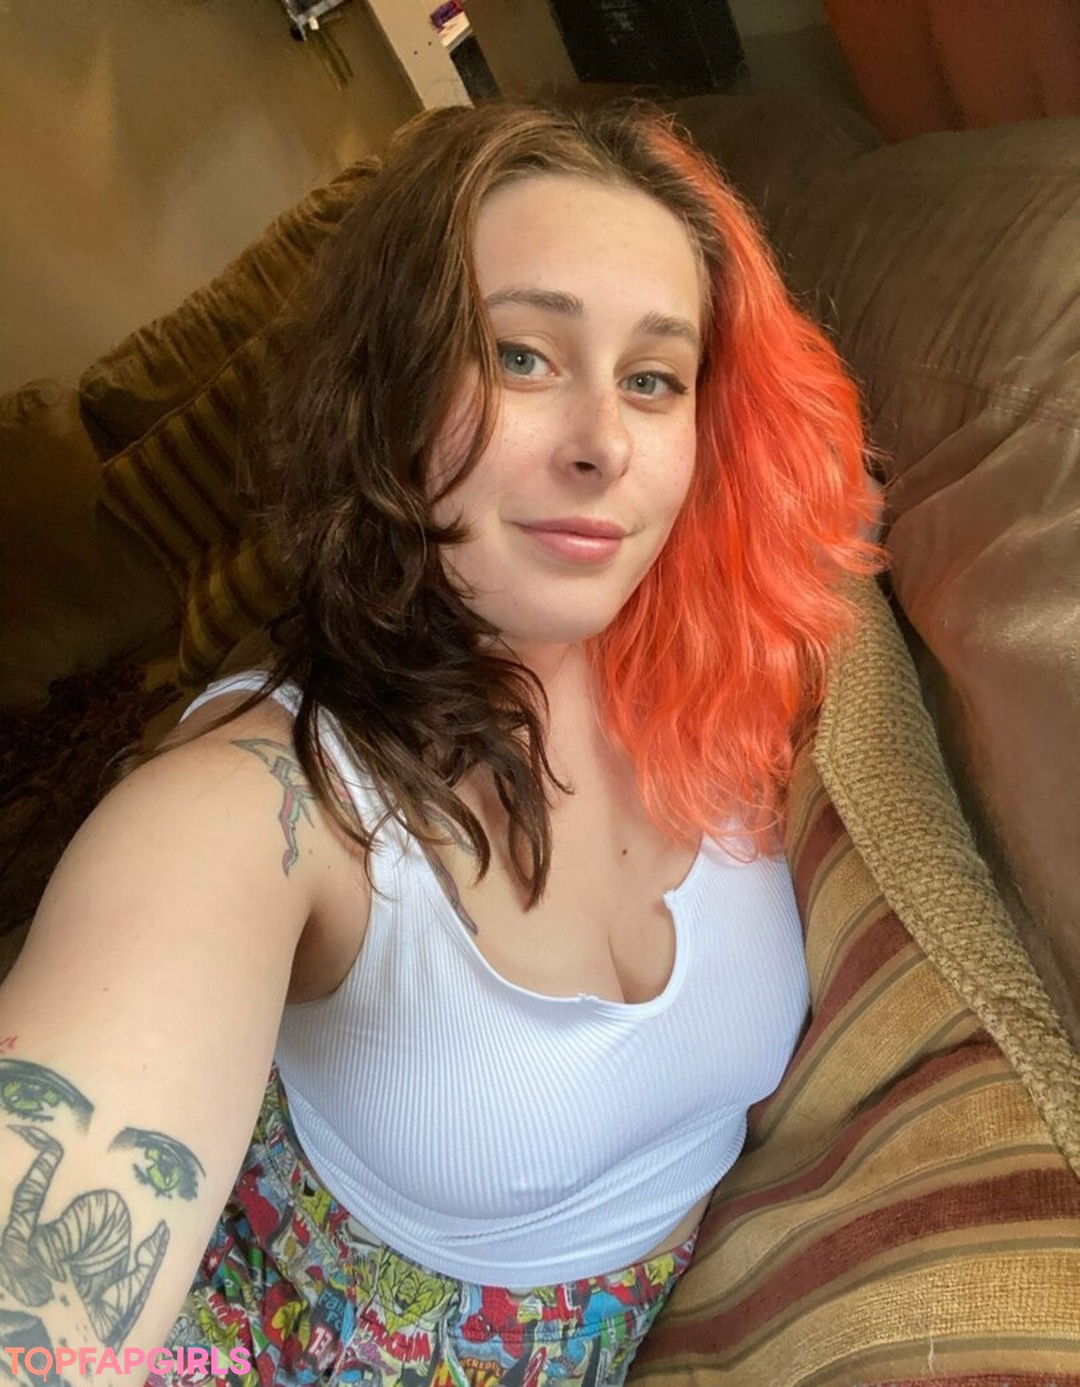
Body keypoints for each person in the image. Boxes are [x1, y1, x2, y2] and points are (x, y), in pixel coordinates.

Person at [0, 99, 881, 1386]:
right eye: (522, 356)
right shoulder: (257, 806)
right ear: (389, 392)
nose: (603, 443)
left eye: (654, 377)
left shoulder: (731, 665)